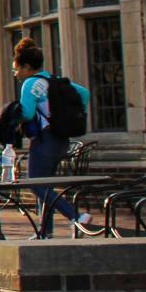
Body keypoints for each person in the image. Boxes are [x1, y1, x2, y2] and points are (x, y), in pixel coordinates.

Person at [15, 38, 93, 237]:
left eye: (17, 69)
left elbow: (27, 114)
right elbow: (84, 94)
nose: (16, 74)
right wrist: (71, 116)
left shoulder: (30, 84)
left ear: (27, 67)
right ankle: (45, 231)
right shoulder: (55, 80)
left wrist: (12, 115)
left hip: (44, 140)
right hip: (61, 140)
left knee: (34, 183)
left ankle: (76, 216)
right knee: (44, 184)